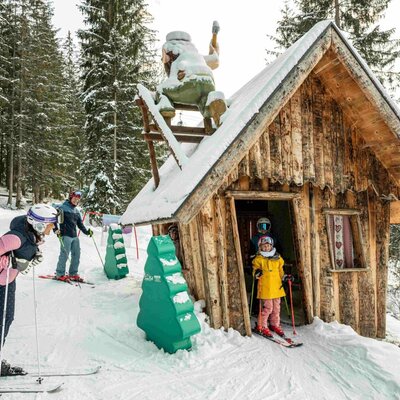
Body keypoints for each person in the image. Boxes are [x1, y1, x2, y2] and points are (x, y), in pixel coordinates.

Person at [0, 204, 58, 376]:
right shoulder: (16, 237)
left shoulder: (31, 235)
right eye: (50, 224)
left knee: (6, 320)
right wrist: (8, 263)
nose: (53, 227)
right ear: (39, 224)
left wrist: (30, 258)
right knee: (1, 322)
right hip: (1, 282)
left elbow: (22, 254)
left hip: (7, 282)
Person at [54, 191, 93, 282]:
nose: (76, 201)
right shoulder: (62, 208)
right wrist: (55, 229)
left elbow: (80, 224)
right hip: (65, 235)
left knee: (76, 255)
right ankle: (59, 274)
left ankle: (73, 273)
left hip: (74, 236)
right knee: (64, 254)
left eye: (78, 199)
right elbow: (54, 219)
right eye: (75, 199)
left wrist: (87, 232)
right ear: (70, 198)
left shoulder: (76, 211)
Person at [252, 236, 286, 337]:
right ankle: (261, 326)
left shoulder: (278, 258)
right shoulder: (258, 259)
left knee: (276, 308)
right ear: (260, 247)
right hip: (265, 288)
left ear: (271, 246)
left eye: (268, 246)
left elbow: (281, 271)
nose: (266, 248)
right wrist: (257, 273)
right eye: (264, 246)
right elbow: (255, 270)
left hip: (277, 287)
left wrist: (284, 277)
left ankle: (274, 324)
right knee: (268, 308)